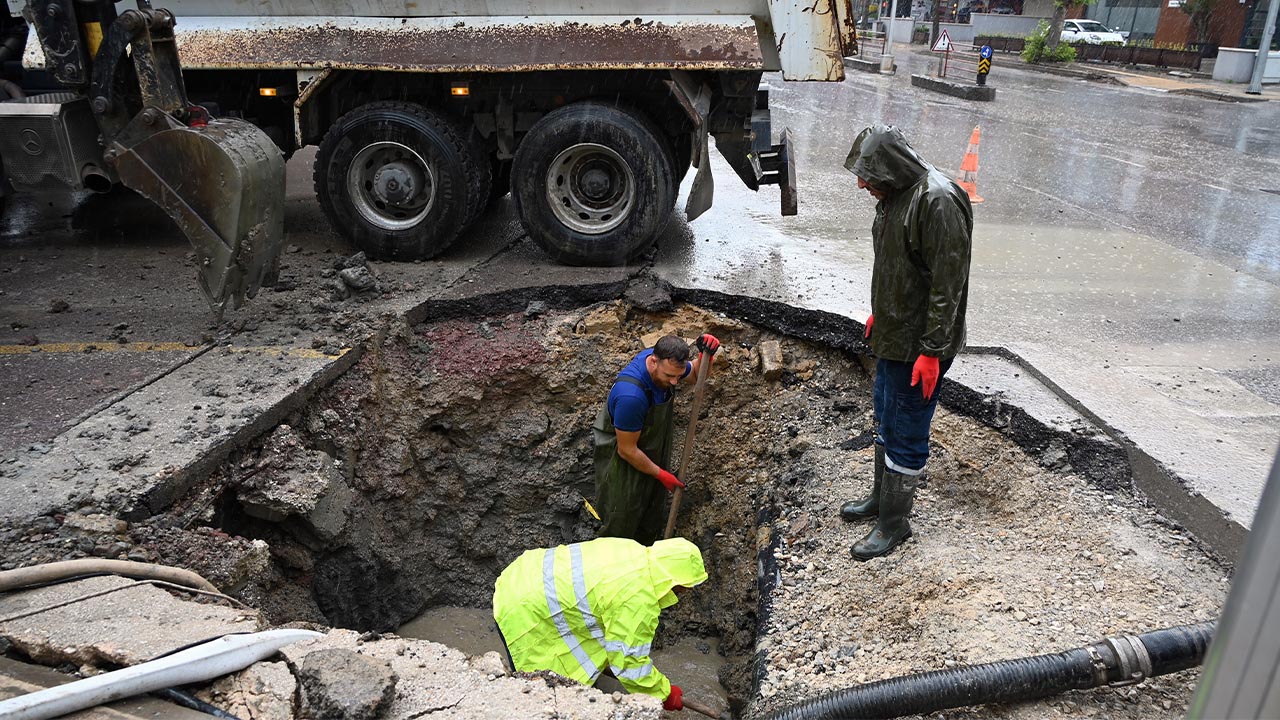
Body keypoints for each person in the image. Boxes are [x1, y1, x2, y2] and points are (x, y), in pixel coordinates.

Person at [838, 124, 972, 561]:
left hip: (920, 348)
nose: (861, 184)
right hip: (894, 335)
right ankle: (881, 500)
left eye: (867, 175)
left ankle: (894, 525)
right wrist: (881, 310)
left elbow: (946, 285)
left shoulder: (936, 201)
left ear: (890, 169)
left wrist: (932, 352)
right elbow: (897, 265)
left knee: (907, 429)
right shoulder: (893, 194)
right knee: (885, 417)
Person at [492, 536, 708, 711]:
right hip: (525, 612)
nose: (686, 592)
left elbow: (601, 607)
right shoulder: (638, 598)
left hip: (523, 574)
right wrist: (665, 694)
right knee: (544, 694)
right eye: (686, 586)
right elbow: (629, 663)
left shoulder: (631, 549)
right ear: (675, 581)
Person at [592, 333, 719, 545]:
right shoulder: (631, 396)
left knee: (650, 511)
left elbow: (697, 374)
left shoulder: (669, 366)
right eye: (670, 375)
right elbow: (627, 450)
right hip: (621, 459)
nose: (674, 382)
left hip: (649, 449)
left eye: (678, 376)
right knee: (621, 515)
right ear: (653, 360)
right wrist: (662, 475)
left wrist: (709, 356)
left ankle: (646, 552)